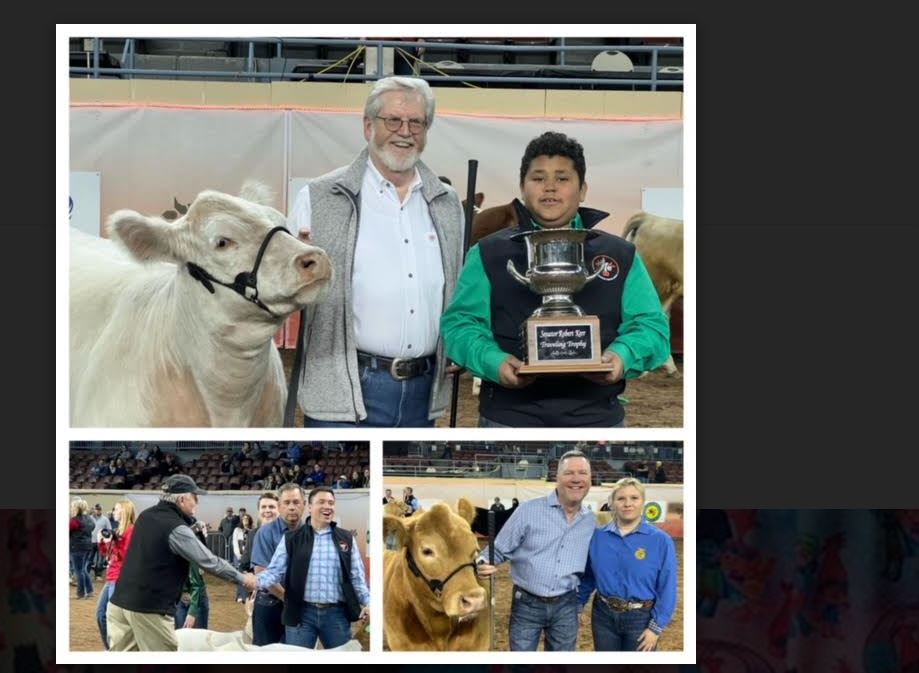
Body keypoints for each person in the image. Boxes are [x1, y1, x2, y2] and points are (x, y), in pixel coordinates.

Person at [440, 131, 671, 427]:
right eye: (538, 178)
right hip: (508, 419)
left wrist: (621, 357)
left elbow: (651, 326)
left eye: (562, 178)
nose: (550, 187)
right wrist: (494, 362)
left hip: (597, 418)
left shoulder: (620, 255)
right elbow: (460, 324)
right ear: (523, 187)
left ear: (583, 189)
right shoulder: (487, 253)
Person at [287, 75, 465, 428]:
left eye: (417, 122)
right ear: (368, 126)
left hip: (424, 393)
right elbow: (286, 292)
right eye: (393, 120)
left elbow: (455, 288)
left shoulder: (446, 203)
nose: (405, 131)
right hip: (343, 391)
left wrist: (457, 344)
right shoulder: (319, 198)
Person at [107, 474, 257, 651]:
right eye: (195, 497)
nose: (197, 503)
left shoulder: (146, 516)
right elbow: (209, 562)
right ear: (182, 499)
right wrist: (243, 579)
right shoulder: (175, 527)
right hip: (149, 608)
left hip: (118, 603)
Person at [477, 451, 595, 651]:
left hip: (567, 604)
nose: (576, 479)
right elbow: (497, 550)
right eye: (569, 473)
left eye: (582, 473)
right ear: (556, 478)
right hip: (527, 603)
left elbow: (590, 569)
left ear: (590, 479)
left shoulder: (590, 521)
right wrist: (481, 563)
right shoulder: (528, 511)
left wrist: (579, 603)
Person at [256, 487, 370, 649]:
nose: (327, 506)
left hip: (336, 615)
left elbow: (357, 579)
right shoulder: (291, 538)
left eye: (331, 503)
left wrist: (369, 602)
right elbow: (274, 571)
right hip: (301, 614)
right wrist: (254, 581)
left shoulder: (346, 539)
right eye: (321, 502)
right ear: (309, 507)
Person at [578, 477, 677, 651]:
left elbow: (668, 586)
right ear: (612, 503)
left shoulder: (661, 541)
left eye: (634, 498)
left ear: (643, 503)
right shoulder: (598, 537)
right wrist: (578, 605)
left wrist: (655, 627)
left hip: (641, 618)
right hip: (603, 616)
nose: (627, 503)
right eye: (621, 498)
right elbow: (588, 577)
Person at [249, 483, 306, 646]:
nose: (292, 507)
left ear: (305, 504)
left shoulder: (313, 533)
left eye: (296, 502)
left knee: (298, 654)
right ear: (280, 506)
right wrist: (289, 600)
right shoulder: (264, 533)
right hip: (269, 605)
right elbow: (261, 572)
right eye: (287, 503)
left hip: (302, 606)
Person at [95, 500, 136, 650]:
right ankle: (111, 649)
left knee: (115, 620)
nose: (114, 511)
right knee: (100, 615)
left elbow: (126, 557)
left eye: (117, 509)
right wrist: (102, 542)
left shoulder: (131, 530)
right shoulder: (118, 530)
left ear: (124, 511)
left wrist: (113, 543)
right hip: (111, 578)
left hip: (119, 578)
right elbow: (107, 554)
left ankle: (116, 650)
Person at [175, 520, 210, 630]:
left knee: (198, 641)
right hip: (180, 599)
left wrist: (193, 612)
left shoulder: (191, 552)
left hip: (196, 599)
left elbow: (197, 585)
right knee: (180, 639)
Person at [69, 498, 95, 600]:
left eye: (72, 507)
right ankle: (89, 590)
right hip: (88, 546)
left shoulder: (74, 521)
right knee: (83, 569)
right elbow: (92, 527)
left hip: (77, 547)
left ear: (76, 508)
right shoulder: (89, 519)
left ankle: (81, 593)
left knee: (78, 571)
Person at [232, 513, 254, 603]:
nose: (245, 520)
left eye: (247, 519)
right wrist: (238, 555)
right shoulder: (237, 530)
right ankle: (239, 595)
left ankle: (248, 595)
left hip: (249, 556)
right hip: (240, 555)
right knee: (239, 575)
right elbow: (235, 543)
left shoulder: (252, 530)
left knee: (249, 575)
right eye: (244, 519)